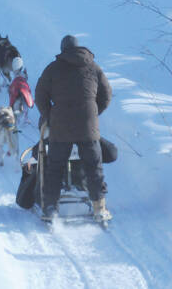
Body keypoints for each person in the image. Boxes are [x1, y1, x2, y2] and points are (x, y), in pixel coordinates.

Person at [35, 34, 112, 222]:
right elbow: (107, 94)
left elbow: (39, 94)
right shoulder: (93, 67)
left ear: (63, 49)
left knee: (55, 166)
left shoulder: (53, 69)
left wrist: (49, 115)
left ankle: (51, 208)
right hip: (88, 125)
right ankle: (99, 207)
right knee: (94, 167)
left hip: (60, 125)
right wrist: (93, 112)